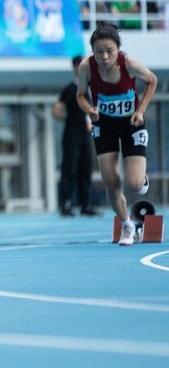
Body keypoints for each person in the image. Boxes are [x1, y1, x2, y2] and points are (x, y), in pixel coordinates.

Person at [76, 22, 157, 245]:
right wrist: (89, 109)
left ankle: (141, 179)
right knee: (110, 180)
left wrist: (141, 111)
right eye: (98, 52)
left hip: (131, 124)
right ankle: (128, 225)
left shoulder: (129, 64)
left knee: (133, 183)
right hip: (104, 125)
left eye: (110, 51)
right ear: (92, 51)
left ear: (118, 49)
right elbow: (81, 95)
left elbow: (152, 81)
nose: (104, 57)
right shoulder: (86, 67)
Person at [53, 56, 94, 217]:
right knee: (69, 169)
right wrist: (69, 120)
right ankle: (66, 203)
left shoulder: (91, 89)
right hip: (71, 135)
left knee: (86, 169)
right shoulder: (70, 89)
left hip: (85, 135)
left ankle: (86, 204)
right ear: (75, 67)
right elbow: (56, 110)